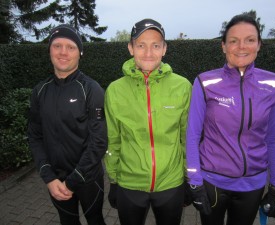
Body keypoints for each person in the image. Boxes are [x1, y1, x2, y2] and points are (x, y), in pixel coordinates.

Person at [186, 14, 275, 225]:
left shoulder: (274, 83)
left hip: (252, 185)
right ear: (223, 46)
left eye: (250, 40)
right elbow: (192, 134)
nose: (241, 46)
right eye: (233, 40)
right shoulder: (205, 82)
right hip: (212, 181)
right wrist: (194, 181)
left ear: (259, 45)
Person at [104, 18, 192, 225]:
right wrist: (114, 181)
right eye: (141, 45)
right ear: (130, 48)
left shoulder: (183, 86)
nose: (148, 52)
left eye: (155, 45)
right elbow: (112, 139)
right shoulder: (115, 90)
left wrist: (189, 178)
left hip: (171, 183)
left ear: (164, 49)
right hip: (129, 183)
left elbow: (188, 137)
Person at [28, 24, 107, 225]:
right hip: (55, 179)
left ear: (79, 53)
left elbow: (98, 141)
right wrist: (49, 177)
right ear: (50, 50)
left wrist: (73, 181)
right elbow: (35, 136)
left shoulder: (91, 89)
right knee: (67, 222)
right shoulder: (39, 90)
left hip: (88, 178)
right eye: (57, 46)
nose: (63, 52)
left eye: (70, 47)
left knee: (95, 220)